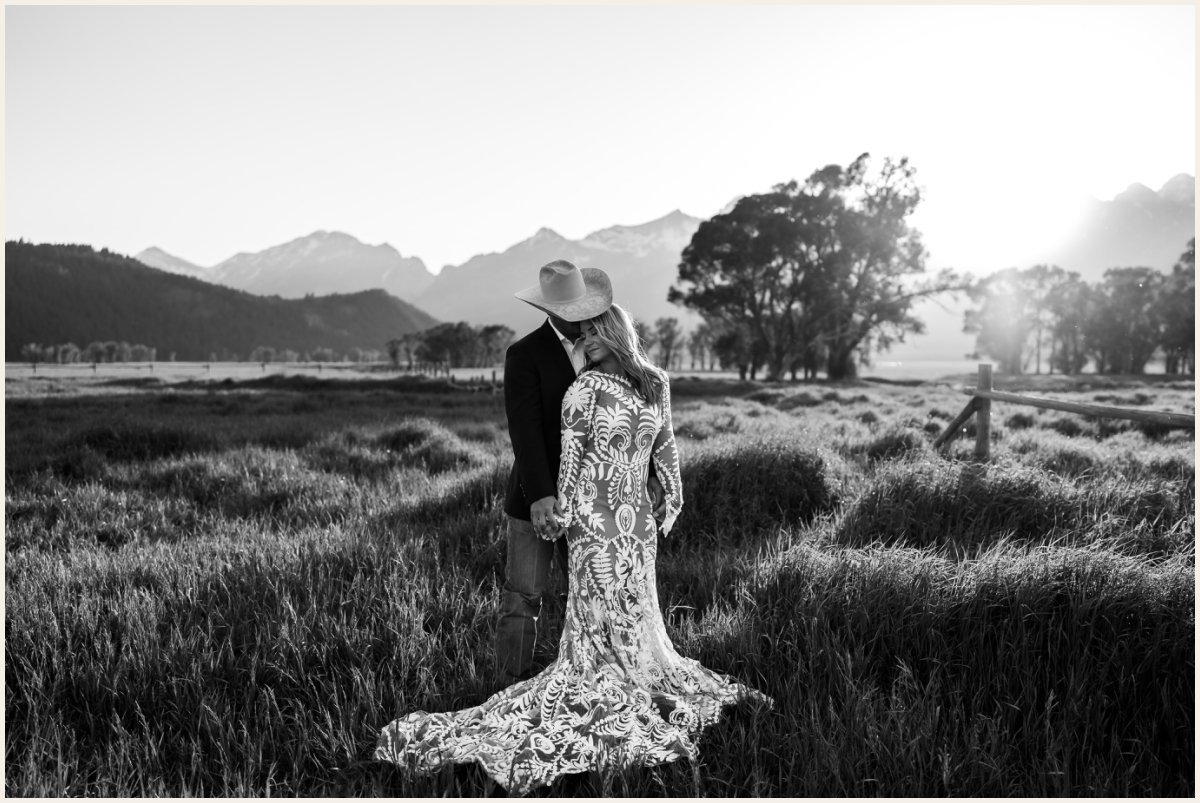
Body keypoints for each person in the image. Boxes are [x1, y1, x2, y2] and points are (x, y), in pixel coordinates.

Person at [375, 302, 771, 794]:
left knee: (624, 611)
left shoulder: (624, 385)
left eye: (592, 332)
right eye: (580, 333)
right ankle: (601, 677)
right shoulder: (616, 386)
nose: (584, 340)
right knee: (607, 611)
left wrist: (661, 499)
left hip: (617, 521)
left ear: (612, 330)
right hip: (613, 522)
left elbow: (627, 453)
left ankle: (624, 677)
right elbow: (614, 456)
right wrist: (582, 510)